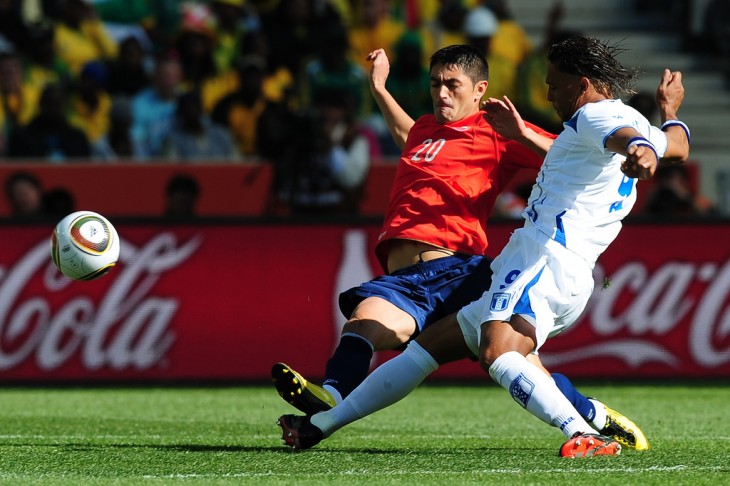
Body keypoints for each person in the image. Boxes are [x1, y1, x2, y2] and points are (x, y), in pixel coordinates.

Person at [276, 36, 690, 458]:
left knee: (498, 352)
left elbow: (621, 139)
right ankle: (321, 426)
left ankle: (583, 433)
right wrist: (669, 113)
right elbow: (676, 146)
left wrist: (637, 150)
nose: (546, 94)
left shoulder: (594, 117)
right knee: (429, 347)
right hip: (547, 263)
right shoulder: (633, 122)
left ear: (581, 85)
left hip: (543, 258)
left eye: (552, 84)